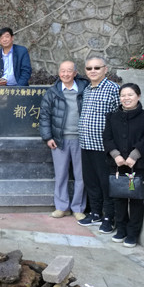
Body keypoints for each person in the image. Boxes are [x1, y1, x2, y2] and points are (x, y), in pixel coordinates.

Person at [104, 83, 144, 247]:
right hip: (117, 164)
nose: (126, 98)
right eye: (123, 95)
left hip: (139, 165)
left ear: (138, 96)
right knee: (119, 197)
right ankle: (121, 229)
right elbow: (107, 138)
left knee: (135, 199)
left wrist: (134, 156)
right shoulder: (112, 116)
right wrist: (116, 155)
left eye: (130, 95)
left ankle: (132, 233)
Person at [40, 61, 89, 221]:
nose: (66, 74)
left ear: (75, 73)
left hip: (81, 139)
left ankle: (78, 208)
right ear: (59, 73)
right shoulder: (53, 92)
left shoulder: (85, 89)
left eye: (69, 71)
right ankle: (62, 207)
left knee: (81, 176)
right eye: (63, 71)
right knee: (61, 175)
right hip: (59, 140)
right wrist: (48, 137)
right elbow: (44, 115)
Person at [77, 57, 120, 233]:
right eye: (89, 68)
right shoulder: (87, 89)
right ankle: (95, 213)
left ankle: (109, 217)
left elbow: (119, 117)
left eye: (97, 67)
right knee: (91, 182)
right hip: (86, 144)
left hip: (104, 147)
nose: (93, 71)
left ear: (105, 69)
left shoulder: (113, 89)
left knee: (106, 183)